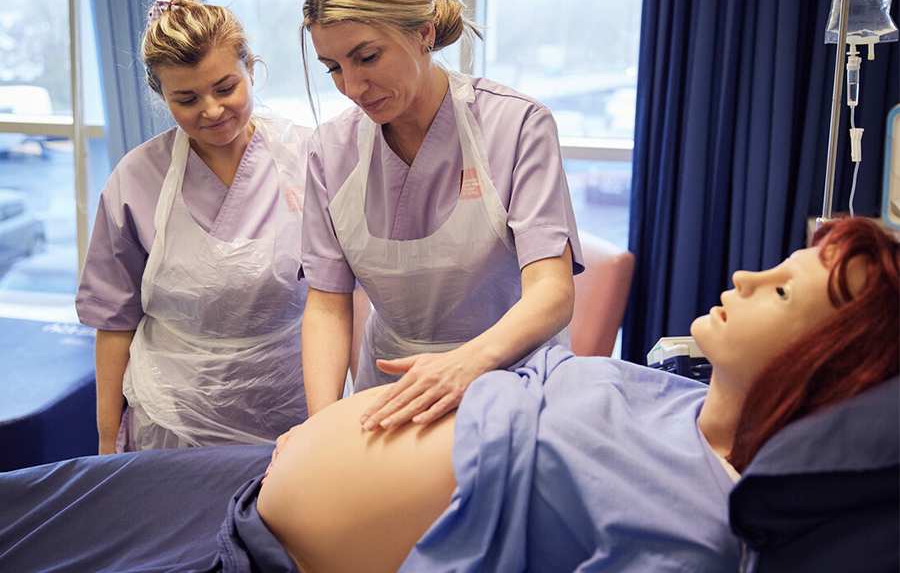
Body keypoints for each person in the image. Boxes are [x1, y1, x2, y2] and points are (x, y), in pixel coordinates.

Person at [257, 217, 899, 572]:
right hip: (263, 484)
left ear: (825, 360)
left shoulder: (696, 526)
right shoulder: (669, 391)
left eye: (782, 291)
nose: (744, 276)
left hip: (280, 554)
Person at [299, 0, 585, 431]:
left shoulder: (516, 125)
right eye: (333, 68)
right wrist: (320, 429)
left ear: (424, 33)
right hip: (391, 393)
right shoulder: (330, 150)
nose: (352, 86)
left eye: (367, 57)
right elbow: (327, 304)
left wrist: (466, 364)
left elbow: (552, 291)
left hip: (512, 380)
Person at [75, 0, 311, 453]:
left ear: (251, 68)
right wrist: (106, 442)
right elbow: (114, 321)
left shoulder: (306, 158)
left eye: (226, 87)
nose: (212, 110)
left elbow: (341, 296)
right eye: (186, 99)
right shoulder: (137, 179)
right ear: (161, 96)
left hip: (289, 409)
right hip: (172, 417)